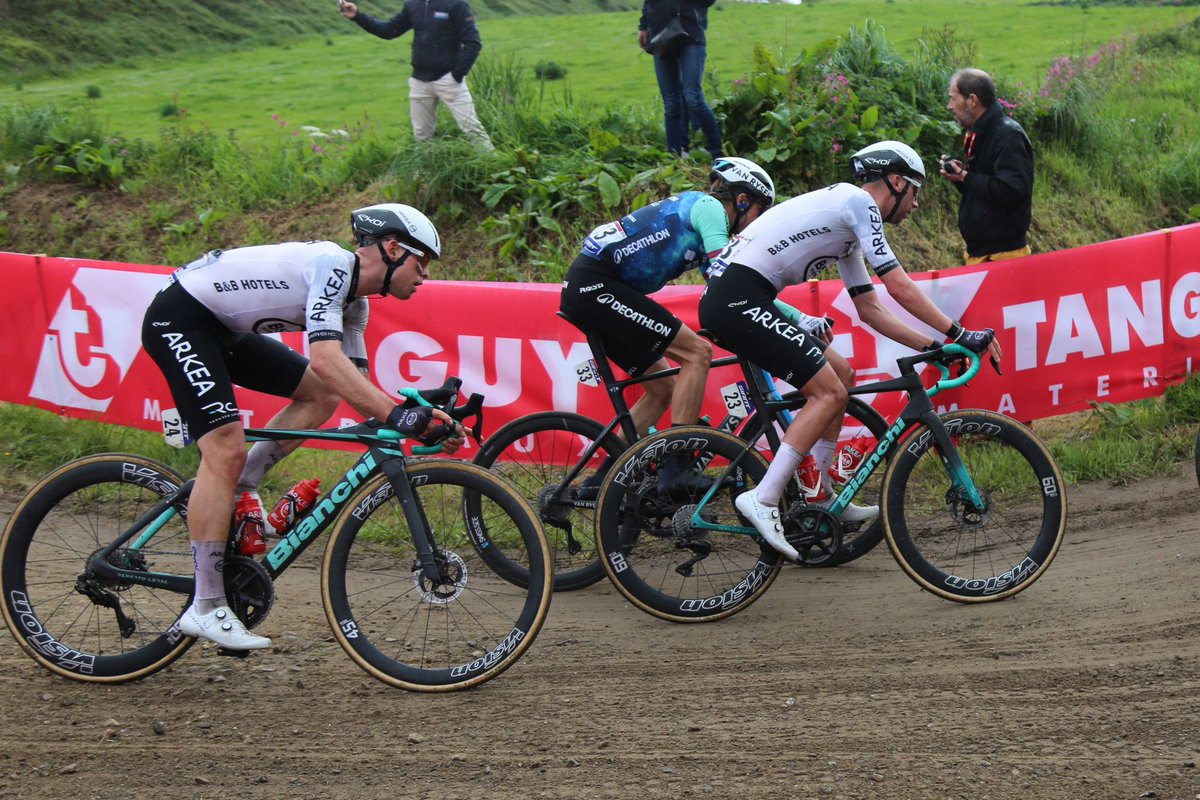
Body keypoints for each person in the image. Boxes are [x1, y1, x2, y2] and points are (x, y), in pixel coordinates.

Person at [141, 203, 463, 650]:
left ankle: (239, 487)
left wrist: (423, 417)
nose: (425, 274)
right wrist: (400, 417)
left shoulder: (356, 305)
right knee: (225, 449)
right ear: (392, 248)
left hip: (220, 330)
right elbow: (326, 360)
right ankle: (207, 605)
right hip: (179, 319)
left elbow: (353, 388)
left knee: (321, 396)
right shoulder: (333, 266)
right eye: (421, 261)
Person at [699, 141, 1002, 561]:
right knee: (829, 392)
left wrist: (937, 346)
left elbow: (871, 309)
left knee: (841, 375)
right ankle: (764, 498)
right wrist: (960, 332)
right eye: (916, 191)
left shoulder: (847, 226)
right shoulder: (859, 204)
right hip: (737, 299)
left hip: (744, 297)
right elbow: (897, 285)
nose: (916, 204)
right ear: (896, 182)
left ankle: (818, 494)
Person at [559, 157, 774, 495]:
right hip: (597, 286)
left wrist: (788, 315)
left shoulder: (702, 223)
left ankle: (601, 482)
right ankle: (678, 466)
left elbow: (725, 289)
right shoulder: (710, 209)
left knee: (664, 388)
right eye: (762, 210)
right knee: (697, 353)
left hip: (592, 288)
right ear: (744, 199)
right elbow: (727, 280)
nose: (758, 223)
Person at [339, 0, 494, 150]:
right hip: (419, 81)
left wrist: (456, 75)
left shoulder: (456, 3)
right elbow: (388, 31)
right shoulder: (413, 4)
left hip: (448, 80)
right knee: (422, 137)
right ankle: (426, 175)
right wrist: (358, 16)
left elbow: (473, 43)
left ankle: (494, 168)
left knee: (472, 129)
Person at [942, 67, 1034, 264]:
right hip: (981, 255)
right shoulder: (979, 132)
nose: (950, 106)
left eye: (953, 98)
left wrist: (967, 177)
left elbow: (1012, 190)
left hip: (1003, 257)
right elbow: (987, 192)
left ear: (972, 100)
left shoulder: (1009, 135)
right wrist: (961, 177)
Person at [638, 0, 722, 158]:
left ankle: (717, 154)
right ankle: (674, 159)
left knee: (694, 98)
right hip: (660, 36)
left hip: (691, 36)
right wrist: (643, 26)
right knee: (671, 103)